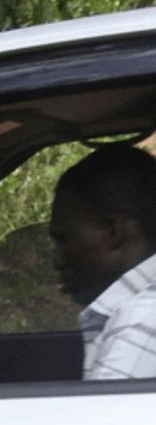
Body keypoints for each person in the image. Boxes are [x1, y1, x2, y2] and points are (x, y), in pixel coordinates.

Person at [49, 144, 156, 381]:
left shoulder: (139, 322)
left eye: (64, 239)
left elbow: (100, 419)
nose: (57, 260)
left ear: (113, 230)